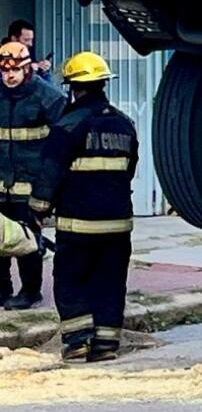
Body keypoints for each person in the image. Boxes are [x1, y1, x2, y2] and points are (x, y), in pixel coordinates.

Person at [29, 52, 136, 362]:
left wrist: (38, 209)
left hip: (77, 224)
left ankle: (77, 342)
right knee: (110, 281)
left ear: (72, 87)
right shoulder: (125, 125)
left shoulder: (67, 125)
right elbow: (129, 170)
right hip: (118, 223)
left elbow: (50, 172)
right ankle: (105, 344)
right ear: (104, 83)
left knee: (71, 278)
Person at [0, 41, 64, 310]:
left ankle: (30, 290)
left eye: (15, 70)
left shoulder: (47, 97)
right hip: (2, 183)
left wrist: (50, 187)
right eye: (4, 71)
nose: (9, 75)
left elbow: (63, 142)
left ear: (27, 69)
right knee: (1, 239)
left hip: (31, 185)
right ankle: (2, 290)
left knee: (28, 240)